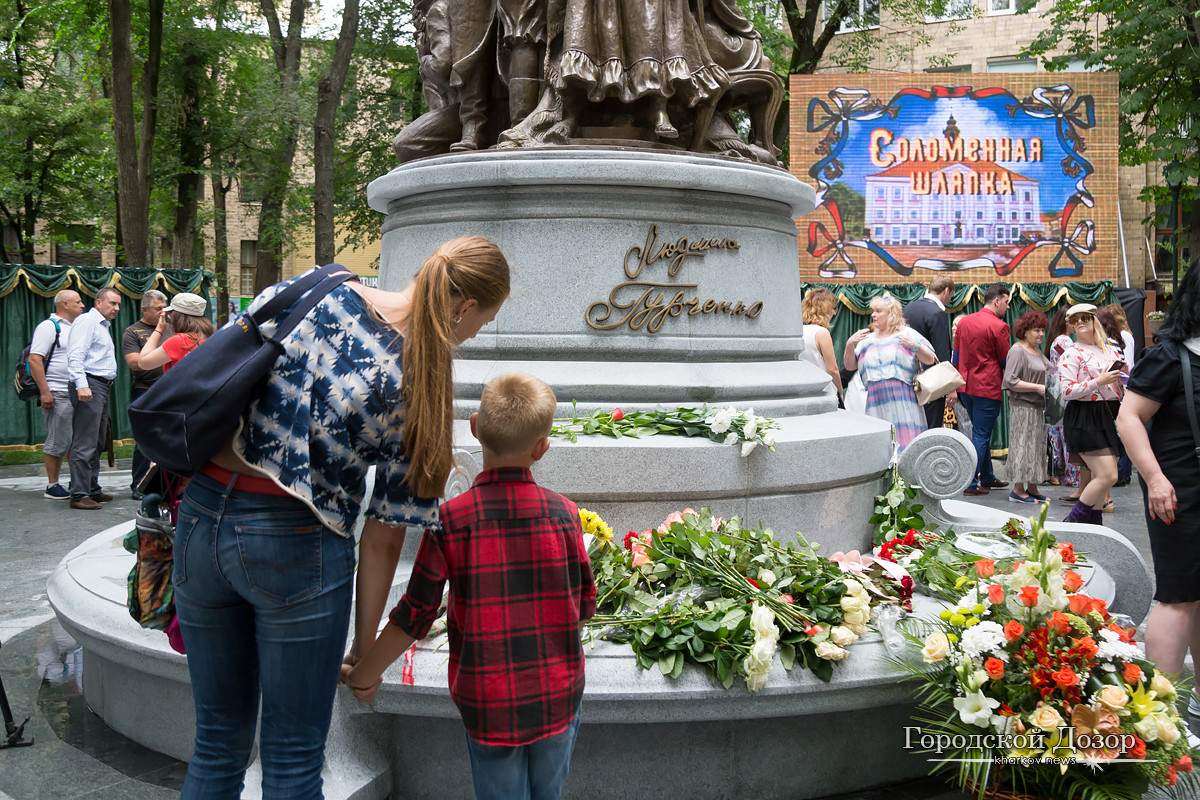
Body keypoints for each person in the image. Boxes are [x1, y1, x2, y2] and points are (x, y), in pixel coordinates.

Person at [172, 236, 510, 798]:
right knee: (294, 761)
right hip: (295, 542)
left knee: (215, 743)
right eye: (483, 321)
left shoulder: (313, 288)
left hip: (201, 516)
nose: (474, 335)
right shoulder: (421, 381)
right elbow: (381, 539)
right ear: (464, 306)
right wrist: (364, 653)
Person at [343, 372, 596, 800]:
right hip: (558, 696)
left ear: (475, 427)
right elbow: (584, 604)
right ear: (542, 449)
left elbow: (415, 613)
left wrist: (366, 673)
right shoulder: (566, 516)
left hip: (489, 704)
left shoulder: (450, 521)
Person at [1115, 263, 1200, 690]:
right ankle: (1160, 716)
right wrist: (1155, 479)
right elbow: (1128, 418)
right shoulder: (1171, 355)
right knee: (1178, 595)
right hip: (1179, 492)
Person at [1057, 303, 1125, 524]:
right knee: (1109, 475)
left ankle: (1093, 524)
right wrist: (1098, 381)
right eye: (1075, 320)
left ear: (1096, 320)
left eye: (1086, 317)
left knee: (1101, 477)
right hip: (1084, 415)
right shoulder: (1071, 354)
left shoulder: (1109, 349)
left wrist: (1121, 378)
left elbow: (1120, 383)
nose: (1081, 323)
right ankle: (1075, 519)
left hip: (1110, 413)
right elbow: (1067, 391)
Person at [843, 295, 937, 454]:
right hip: (876, 402)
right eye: (873, 311)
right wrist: (849, 345)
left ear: (891, 314)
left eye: (878, 311)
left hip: (903, 401)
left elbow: (930, 359)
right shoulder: (867, 341)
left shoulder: (906, 334)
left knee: (907, 446)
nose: (873, 315)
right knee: (881, 448)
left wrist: (914, 346)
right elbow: (850, 365)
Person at [65, 288, 122, 510]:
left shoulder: (101, 325)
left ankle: (91, 489)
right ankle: (79, 495)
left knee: (98, 440)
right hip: (89, 385)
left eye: (118, 304)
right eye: (112, 303)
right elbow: (76, 355)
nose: (116, 308)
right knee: (85, 441)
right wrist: (82, 384)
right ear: (98, 303)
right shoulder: (87, 322)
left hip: (99, 385)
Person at [954, 285, 1012, 496]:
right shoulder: (1000, 326)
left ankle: (987, 477)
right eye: (1006, 302)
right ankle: (970, 483)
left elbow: (956, 356)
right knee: (981, 435)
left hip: (965, 387)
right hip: (987, 388)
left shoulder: (964, 322)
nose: (1007, 306)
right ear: (996, 301)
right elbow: (1005, 361)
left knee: (981, 433)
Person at [27, 289, 85, 500]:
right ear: (65, 305)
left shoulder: (77, 328)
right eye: (78, 302)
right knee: (58, 439)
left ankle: (76, 481)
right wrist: (45, 392)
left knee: (74, 440)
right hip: (57, 391)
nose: (82, 305)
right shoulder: (49, 326)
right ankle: (52, 486)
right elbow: (35, 359)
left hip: (76, 391)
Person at [122, 289, 169, 499]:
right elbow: (134, 363)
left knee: (169, 438)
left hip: (170, 389)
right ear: (144, 309)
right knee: (144, 440)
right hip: (145, 390)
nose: (163, 313)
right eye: (158, 309)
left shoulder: (171, 328)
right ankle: (138, 486)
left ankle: (167, 484)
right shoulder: (133, 332)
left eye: (165, 309)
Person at [1002, 311, 1051, 504]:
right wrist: (1038, 387)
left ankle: (1032, 487)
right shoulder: (1017, 350)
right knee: (1022, 446)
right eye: (1036, 330)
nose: (1041, 334)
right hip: (1023, 407)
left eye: (1042, 330)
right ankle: (1017, 489)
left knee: (1036, 448)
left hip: (1038, 407)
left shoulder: (1037, 351)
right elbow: (1010, 381)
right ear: (1026, 330)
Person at [903, 276, 956, 430]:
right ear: (946, 291)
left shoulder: (909, 308)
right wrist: (950, 388)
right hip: (930, 383)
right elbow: (942, 353)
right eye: (951, 295)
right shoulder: (937, 313)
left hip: (908, 377)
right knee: (931, 428)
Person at [1044, 307, 1079, 489]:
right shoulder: (1064, 341)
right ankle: (1071, 474)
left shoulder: (1057, 340)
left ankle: (1063, 472)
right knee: (1065, 434)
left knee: (1058, 434)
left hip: (1055, 390)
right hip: (1062, 391)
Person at [137, 293, 214, 372]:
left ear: (177, 317)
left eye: (170, 316)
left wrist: (158, 329)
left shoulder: (180, 341)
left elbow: (143, 363)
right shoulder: (211, 338)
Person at [1105, 302, 1137, 486]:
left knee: (1120, 431)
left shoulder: (1121, 336)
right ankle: (1124, 473)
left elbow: (1125, 364)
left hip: (1123, 385)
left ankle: (1122, 472)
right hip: (1126, 383)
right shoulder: (1128, 335)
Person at [800, 287, 844, 404]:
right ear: (825, 308)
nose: (834, 312)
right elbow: (833, 370)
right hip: (822, 392)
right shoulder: (821, 333)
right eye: (833, 308)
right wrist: (840, 391)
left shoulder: (798, 332)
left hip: (801, 391)